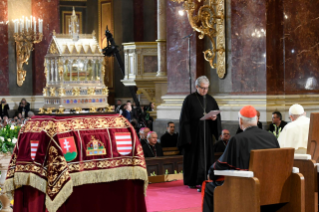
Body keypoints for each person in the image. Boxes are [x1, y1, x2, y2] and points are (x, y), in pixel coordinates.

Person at [203, 105, 279, 212]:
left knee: (210, 187)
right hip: (270, 187)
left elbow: (221, 164)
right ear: (257, 120)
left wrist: (211, 172)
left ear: (240, 121)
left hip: (244, 187)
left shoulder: (237, 139)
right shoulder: (271, 138)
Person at [178, 76, 222, 189]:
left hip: (206, 135)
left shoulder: (211, 100)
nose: (205, 91)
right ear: (196, 86)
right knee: (194, 158)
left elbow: (217, 116)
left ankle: (206, 178)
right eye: (202, 88)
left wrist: (214, 119)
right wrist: (187, 138)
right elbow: (184, 120)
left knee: (206, 157)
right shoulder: (189, 99)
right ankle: (192, 181)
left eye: (207, 88)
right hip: (193, 136)